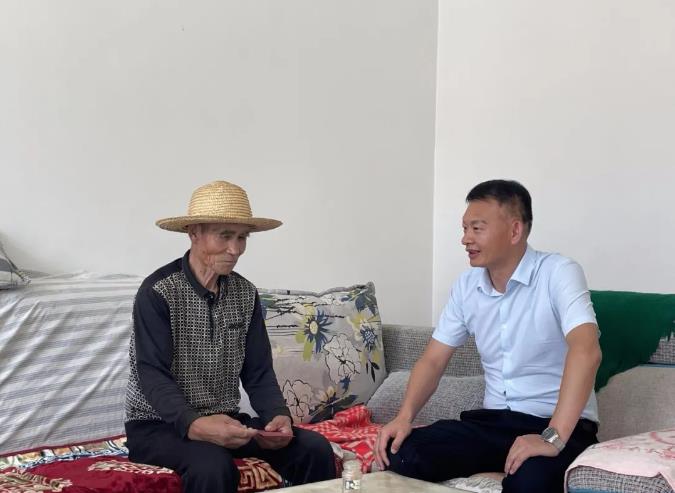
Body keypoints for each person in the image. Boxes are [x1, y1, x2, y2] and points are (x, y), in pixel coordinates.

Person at [374, 179, 602, 493]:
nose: (465, 239)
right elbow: (433, 360)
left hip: (560, 426)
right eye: (464, 228)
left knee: (530, 482)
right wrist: (404, 417)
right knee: (400, 454)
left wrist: (553, 437)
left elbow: (587, 351)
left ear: (514, 230)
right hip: (493, 423)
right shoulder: (466, 287)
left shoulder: (558, 272)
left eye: (477, 228)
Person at [124, 180, 336, 493]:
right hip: (158, 426)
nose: (235, 249)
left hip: (225, 419)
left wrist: (277, 415)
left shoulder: (245, 293)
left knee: (314, 448)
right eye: (225, 235)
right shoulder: (158, 292)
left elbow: (258, 371)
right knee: (212, 466)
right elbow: (152, 374)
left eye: (241, 237)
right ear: (194, 233)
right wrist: (194, 424)